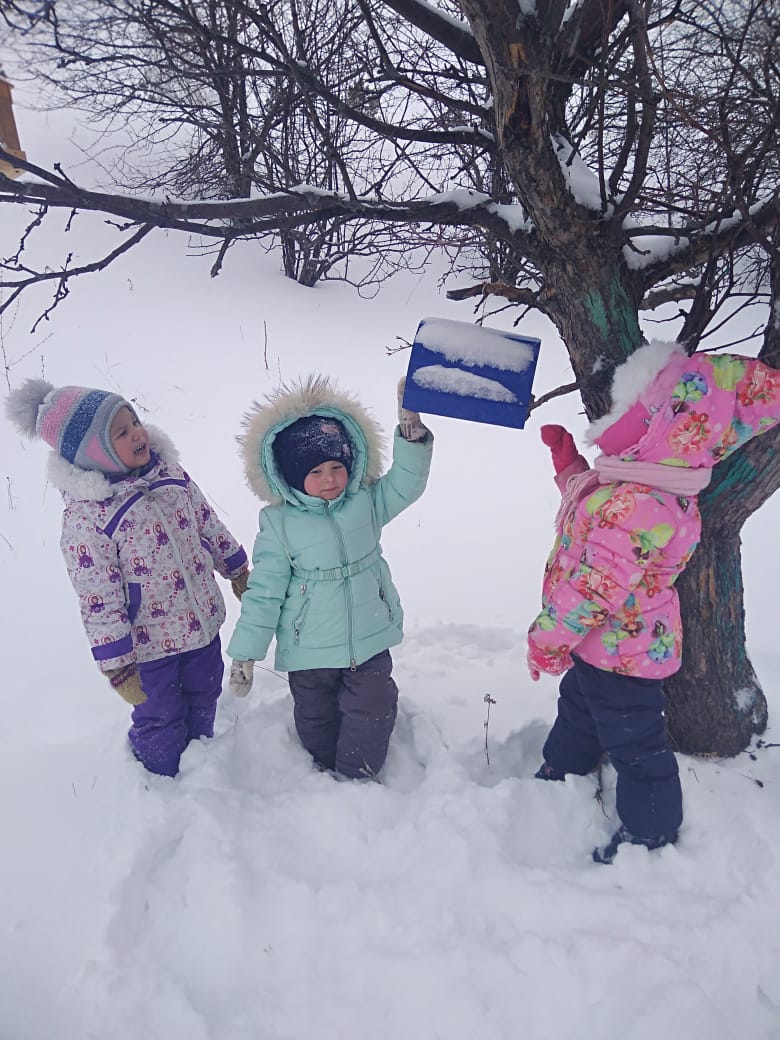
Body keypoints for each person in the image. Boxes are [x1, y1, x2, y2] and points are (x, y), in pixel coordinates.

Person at [526, 339, 780, 863]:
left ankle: (651, 830)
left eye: (634, 409)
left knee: (636, 744)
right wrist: (569, 463)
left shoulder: (645, 504)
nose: (616, 417)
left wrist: (547, 639)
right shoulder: (637, 484)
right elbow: (599, 509)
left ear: (665, 430)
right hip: (600, 648)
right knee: (579, 706)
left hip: (624, 657)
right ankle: (565, 765)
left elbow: (593, 587)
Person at [6, 379, 249, 777]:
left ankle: (202, 760)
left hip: (202, 624)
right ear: (93, 453)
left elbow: (207, 523)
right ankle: (161, 779)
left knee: (205, 692)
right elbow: (98, 599)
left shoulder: (171, 475)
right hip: (149, 647)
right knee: (160, 716)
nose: (137, 433)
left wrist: (236, 567)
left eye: (134, 421)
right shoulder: (89, 519)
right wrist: (117, 664)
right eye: (121, 432)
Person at [227, 374, 432, 781]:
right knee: (315, 716)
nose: (330, 479)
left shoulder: (365, 502)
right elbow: (264, 593)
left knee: (373, 707)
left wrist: (411, 436)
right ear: (291, 475)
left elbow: (406, 485)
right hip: (310, 648)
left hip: (367, 637)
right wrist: (245, 654)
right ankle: (322, 772)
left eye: (337, 466)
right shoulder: (280, 523)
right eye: (316, 471)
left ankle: (357, 775)